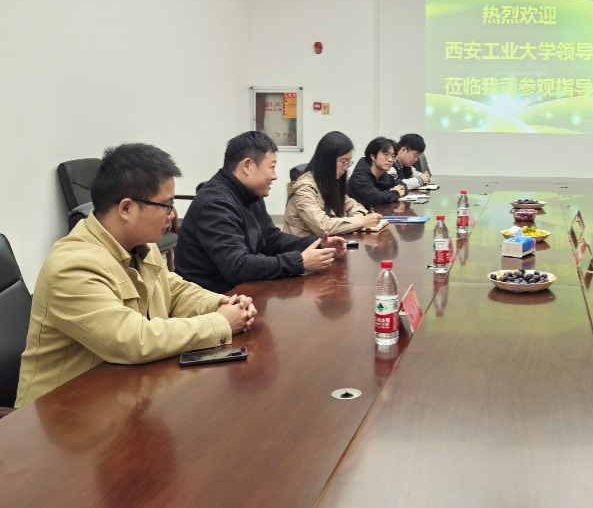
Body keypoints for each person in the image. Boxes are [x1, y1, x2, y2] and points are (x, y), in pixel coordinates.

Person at [16, 143, 256, 407]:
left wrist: (221, 303)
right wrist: (220, 323)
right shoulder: (73, 265)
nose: (172, 215)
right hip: (61, 415)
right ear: (126, 208)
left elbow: (173, 290)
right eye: (166, 205)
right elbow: (133, 339)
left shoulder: (140, 246)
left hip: (119, 394)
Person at [175, 131, 345, 294]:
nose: (275, 176)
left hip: (240, 291)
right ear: (247, 166)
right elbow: (237, 266)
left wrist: (318, 244)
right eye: (272, 167)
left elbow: (271, 240)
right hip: (211, 300)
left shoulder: (250, 194)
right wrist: (299, 262)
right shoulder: (216, 204)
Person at [284, 131, 383, 236]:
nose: (346, 168)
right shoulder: (303, 190)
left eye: (348, 163)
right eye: (344, 162)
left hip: (328, 242)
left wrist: (358, 216)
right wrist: (361, 221)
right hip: (306, 245)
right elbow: (323, 227)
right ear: (327, 160)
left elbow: (351, 205)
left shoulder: (329, 182)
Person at [348, 136, 405, 210]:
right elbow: (374, 198)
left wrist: (398, 190)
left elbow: (402, 186)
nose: (390, 160)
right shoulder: (359, 177)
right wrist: (395, 193)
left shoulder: (383, 174)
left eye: (393, 156)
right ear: (373, 156)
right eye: (386, 154)